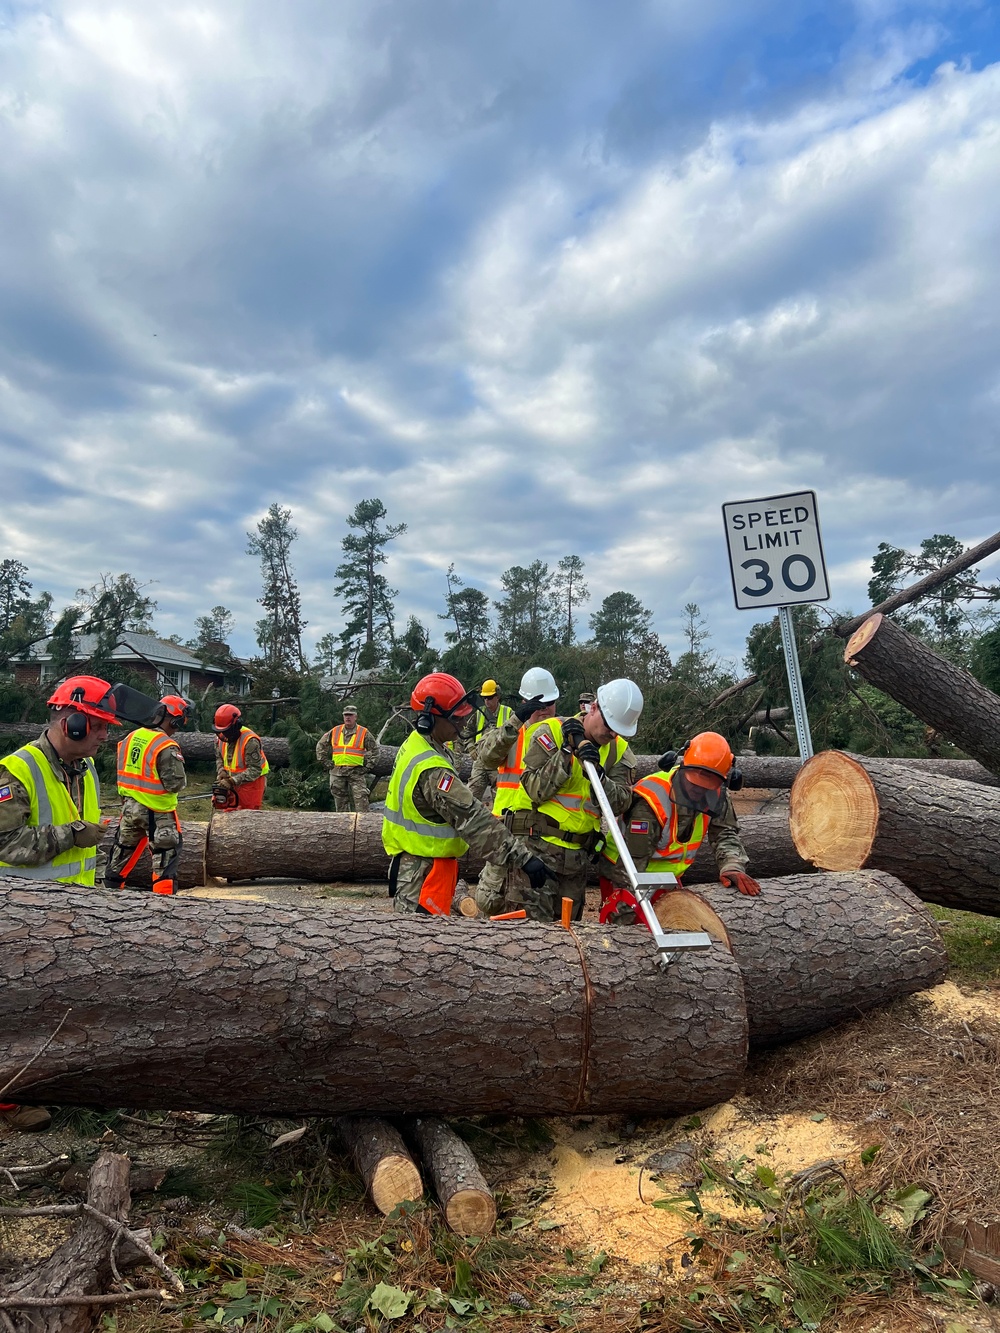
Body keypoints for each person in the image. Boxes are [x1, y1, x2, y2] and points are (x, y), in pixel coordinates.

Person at [0, 674, 120, 1132]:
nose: (106, 736)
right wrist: (70, 835)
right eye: (99, 726)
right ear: (71, 723)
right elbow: (7, 843)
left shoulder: (84, 768)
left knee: (60, 1005)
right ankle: (10, 1103)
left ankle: (53, 1083)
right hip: (23, 913)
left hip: (75, 909)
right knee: (17, 1010)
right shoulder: (18, 770)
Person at [382, 672, 552, 916]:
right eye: (456, 719)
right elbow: (473, 819)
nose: (462, 723)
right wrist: (522, 858)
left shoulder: (419, 743)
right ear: (428, 719)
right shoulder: (432, 769)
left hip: (424, 867)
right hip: (422, 875)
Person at [505, 678, 643, 923]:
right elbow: (535, 789)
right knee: (528, 937)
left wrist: (599, 777)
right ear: (593, 708)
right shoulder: (551, 731)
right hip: (537, 851)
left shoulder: (618, 751)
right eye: (609, 725)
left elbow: (622, 802)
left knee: (567, 942)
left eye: (618, 730)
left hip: (577, 861)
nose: (612, 734)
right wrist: (567, 756)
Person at [599, 731, 760, 923]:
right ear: (683, 766)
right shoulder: (652, 800)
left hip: (667, 880)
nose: (699, 791)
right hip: (625, 874)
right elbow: (630, 866)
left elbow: (725, 833)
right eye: (695, 783)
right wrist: (624, 919)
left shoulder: (718, 795)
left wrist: (732, 865)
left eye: (707, 786)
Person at [472, 666, 559, 915]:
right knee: (492, 902)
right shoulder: (511, 733)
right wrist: (516, 721)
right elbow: (485, 758)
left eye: (549, 703)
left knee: (543, 910)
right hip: (507, 833)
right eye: (537, 703)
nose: (544, 710)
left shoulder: (564, 735)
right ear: (524, 702)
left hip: (547, 840)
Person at [106, 694, 190, 895]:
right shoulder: (165, 745)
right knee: (165, 860)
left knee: (120, 855)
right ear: (173, 720)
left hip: (129, 807)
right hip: (157, 812)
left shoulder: (131, 737)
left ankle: (107, 896)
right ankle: (163, 907)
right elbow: (175, 784)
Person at [316, 704, 378, 812]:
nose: (347, 717)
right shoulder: (335, 731)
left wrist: (367, 767)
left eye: (350, 715)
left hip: (356, 773)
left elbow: (375, 751)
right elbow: (321, 745)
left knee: (362, 803)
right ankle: (343, 826)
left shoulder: (363, 732)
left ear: (356, 717)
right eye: (345, 715)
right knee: (340, 805)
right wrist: (324, 761)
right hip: (337, 773)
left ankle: (364, 826)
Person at [463, 679, 513, 803]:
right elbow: (466, 731)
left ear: (497, 696)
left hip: (499, 763)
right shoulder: (479, 713)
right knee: (471, 798)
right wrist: (471, 748)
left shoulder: (509, 713)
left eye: (490, 698)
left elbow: (518, 734)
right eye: (485, 698)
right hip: (480, 762)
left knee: (500, 800)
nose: (487, 701)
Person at [213, 704, 270, 809]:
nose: (224, 735)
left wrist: (232, 781)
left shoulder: (250, 741)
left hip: (251, 784)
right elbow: (219, 757)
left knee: (247, 816)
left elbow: (255, 769)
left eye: (227, 731)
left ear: (236, 725)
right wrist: (221, 771)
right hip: (231, 782)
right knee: (227, 813)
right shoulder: (219, 738)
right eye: (221, 731)